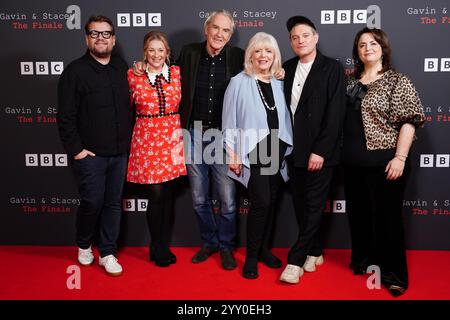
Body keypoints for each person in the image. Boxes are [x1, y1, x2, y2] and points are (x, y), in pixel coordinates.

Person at [134, 10, 244, 270]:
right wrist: (140, 65)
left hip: (223, 137)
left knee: (227, 199)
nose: (219, 34)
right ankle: (210, 242)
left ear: (230, 35)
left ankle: (227, 247)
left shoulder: (239, 57)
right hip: (192, 134)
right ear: (206, 29)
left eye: (225, 30)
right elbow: (159, 71)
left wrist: (279, 74)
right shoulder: (189, 53)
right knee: (198, 197)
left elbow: (261, 73)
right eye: (215, 28)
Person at [343, 27, 425, 297]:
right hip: (353, 164)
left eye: (373, 43)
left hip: (386, 162)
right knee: (360, 217)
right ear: (357, 50)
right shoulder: (351, 82)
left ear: (383, 47)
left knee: (388, 220)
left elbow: (410, 121)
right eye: (362, 44)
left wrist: (400, 157)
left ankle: (395, 275)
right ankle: (366, 261)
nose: (367, 47)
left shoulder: (397, 81)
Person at [57, 15, 132, 276]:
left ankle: (108, 252)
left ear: (114, 38)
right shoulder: (75, 71)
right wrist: (77, 150)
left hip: (120, 154)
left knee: (113, 203)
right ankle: (84, 243)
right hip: (90, 154)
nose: (101, 38)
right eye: (95, 33)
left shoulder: (122, 68)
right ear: (86, 38)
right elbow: (65, 116)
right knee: (92, 201)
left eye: (106, 33)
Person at [279, 16, 346, 284]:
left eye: (305, 35)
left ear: (316, 37)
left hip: (320, 153)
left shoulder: (331, 68)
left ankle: (295, 260)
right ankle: (315, 250)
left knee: (315, 204)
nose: (300, 40)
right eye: (295, 37)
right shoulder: (286, 68)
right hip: (293, 151)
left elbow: (335, 113)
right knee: (300, 205)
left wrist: (321, 151)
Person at [222, 32, 293, 279]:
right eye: (258, 51)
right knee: (261, 202)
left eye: (269, 51)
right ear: (250, 54)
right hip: (254, 149)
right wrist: (233, 154)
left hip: (278, 146)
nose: (263, 56)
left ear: (275, 56)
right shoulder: (239, 82)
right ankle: (251, 257)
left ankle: (263, 250)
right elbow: (229, 122)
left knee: (272, 201)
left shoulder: (279, 81)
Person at [127, 31, 186, 267]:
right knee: (156, 194)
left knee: (168, 195)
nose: (156, 54)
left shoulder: (178, 73)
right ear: (144, 52)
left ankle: (162, 244)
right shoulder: (133, 75)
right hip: (146, 138)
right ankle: (157, 247)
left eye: (160, 50)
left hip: (171, 137)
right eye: (151, 50)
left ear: (167, 52)